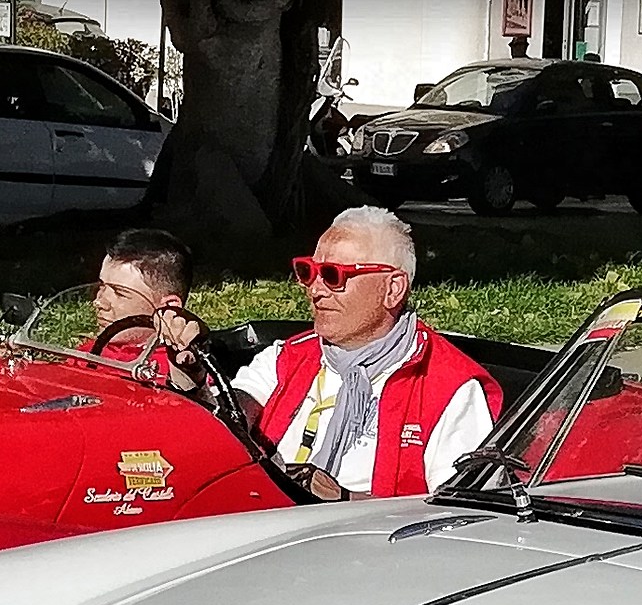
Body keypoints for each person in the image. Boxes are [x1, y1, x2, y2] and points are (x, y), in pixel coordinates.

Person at [167, 206, 500, 501]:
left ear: (393, 288)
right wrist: (193, 377)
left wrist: (342, 499)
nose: (315, 290)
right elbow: (231, 417)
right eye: (308, 272)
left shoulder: (450, 387)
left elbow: (462, 518)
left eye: (333, 276)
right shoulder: (288, 357)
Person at [83, 227, 200, 388]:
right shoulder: (90, 351)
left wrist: (186, 376)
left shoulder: (179, 371)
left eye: (120, 293)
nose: (99, 302)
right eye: (102, 286)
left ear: (168, 308)